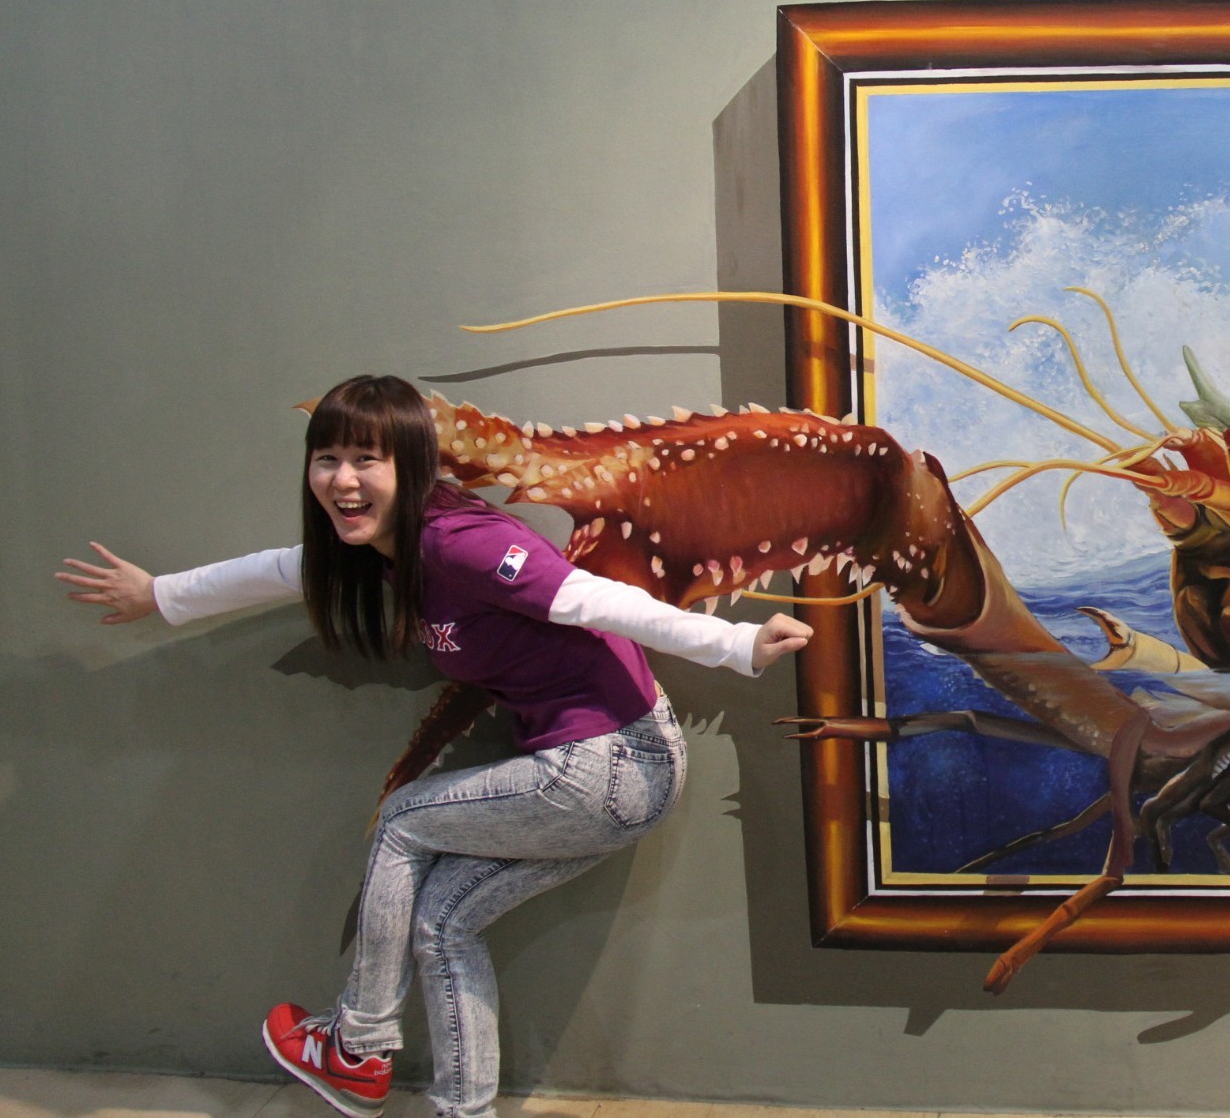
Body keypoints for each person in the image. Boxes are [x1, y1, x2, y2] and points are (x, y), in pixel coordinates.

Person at [56, 375, 811, 1118]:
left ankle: (358, 1047)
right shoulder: (380, 546)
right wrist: (160, 594)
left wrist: (735, 643)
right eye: (327, 459)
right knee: (443, 923)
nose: (343, 480)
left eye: (367, 459)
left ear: (411, 464)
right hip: (603, 773)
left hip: (611, 762)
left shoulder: (461, 543)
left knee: (402, 822)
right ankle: (462, 1109)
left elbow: (591, 598)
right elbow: (284, 568)